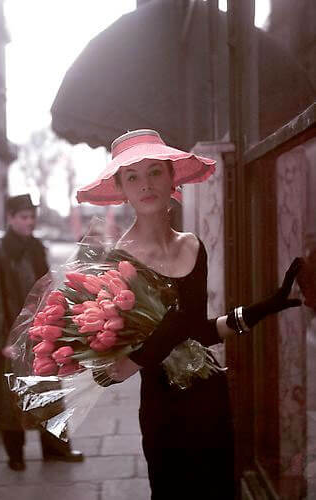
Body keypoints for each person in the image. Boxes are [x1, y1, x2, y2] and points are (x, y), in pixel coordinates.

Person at [77, 129, 303, 499]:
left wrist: (264, 307)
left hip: (210, 396)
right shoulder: (116, 263)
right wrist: (143, 353)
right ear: (121, 188)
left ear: (171, 177)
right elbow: (109, 370)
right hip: (164, 408)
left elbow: (199, 332)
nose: (145, 184)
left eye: (154, 172)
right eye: (132, 176)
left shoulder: (193, 246)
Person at [0, 194, 83, 471]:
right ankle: (14, 454)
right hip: (13, 336)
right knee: (13, 396)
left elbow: (48, 288)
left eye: (32, 217)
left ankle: (56, 449)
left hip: (41, 330)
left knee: (49, 391)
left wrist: (58, 321)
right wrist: (3, 339)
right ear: (11, 218)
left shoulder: (36, 247)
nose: (29, 222)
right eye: (23, 217)